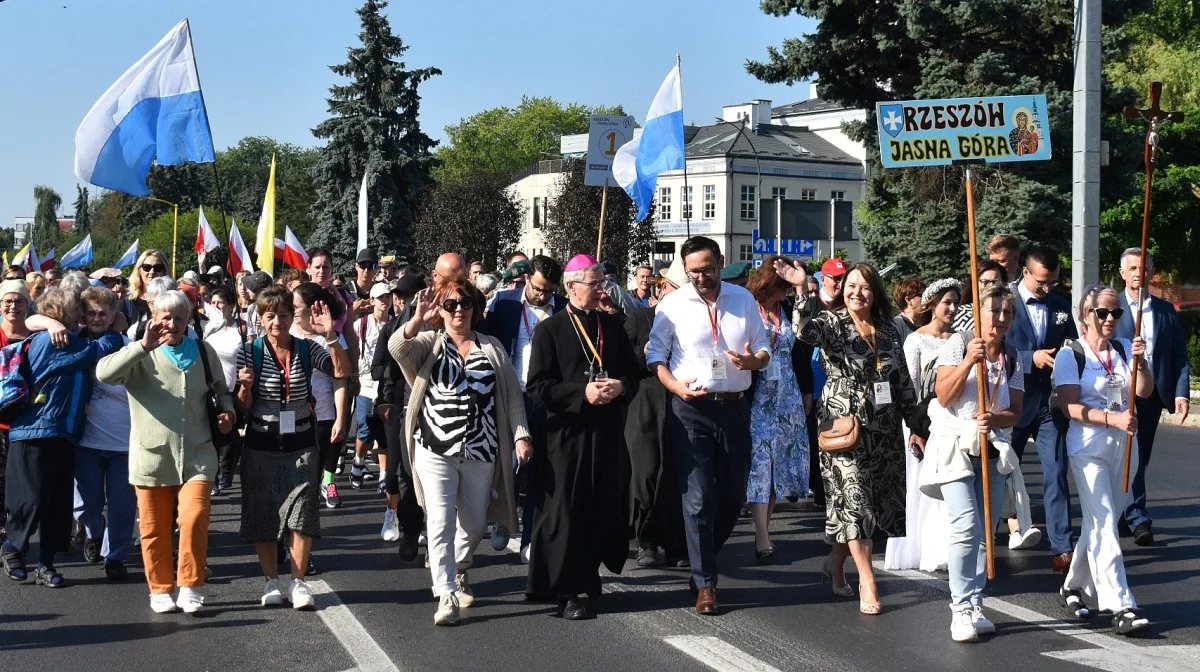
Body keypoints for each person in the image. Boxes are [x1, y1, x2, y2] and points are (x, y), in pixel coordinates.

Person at [389, 276, 531, 626]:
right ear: (441, 309)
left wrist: (520, 436)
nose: (457, 311)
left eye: (464, 303)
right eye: (450, 304)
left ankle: (461, 566)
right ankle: (446, 592)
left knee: (473, 523)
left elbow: (512, 394)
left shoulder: (492, 347)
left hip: (481, 448)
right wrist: (416, 319)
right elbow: (397, 349)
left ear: (475, 308)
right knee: (438, 521)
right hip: (435, 447)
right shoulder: (429, 342)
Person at [647, 237, 771, 616]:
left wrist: (752, 362)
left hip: (734, 408)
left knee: (733, 496)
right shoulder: (672, 304)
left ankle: (702, 557)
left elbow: (764, 348)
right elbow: (655, 356)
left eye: (707, 268)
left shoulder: (742, 299)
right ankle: (705, 584)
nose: (701, 277)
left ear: (720, 262)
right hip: (691, 409)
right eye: (693, 271)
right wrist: (675, 387)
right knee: (698, 496)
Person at [791, 260, 922, 615]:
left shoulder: (890, 329)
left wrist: (918, 426)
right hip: (844, 427)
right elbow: (803, 332)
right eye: (850, 286)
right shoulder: (832, 323)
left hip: (885, 429)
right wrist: (804, 291)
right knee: (855, 500)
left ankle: (835, 562)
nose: (856, 292)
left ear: (874, 292)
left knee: (873, 506)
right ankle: (868, 579)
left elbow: (903, 382)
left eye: (864, 287)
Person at [95, 290, 234, 613]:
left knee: (194, 517)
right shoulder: (140, 352)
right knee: (154, 528)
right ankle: (159, 588)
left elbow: (221, 392)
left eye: (179, 318)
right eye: (165, 317)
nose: (172, 324)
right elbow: (104, 373)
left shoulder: (202, 349)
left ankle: (190, 584)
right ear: (154, 319)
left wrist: (228, 413)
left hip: (198, 454)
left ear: (188, 321)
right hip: (152, 455)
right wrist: (142, 347)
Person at [525, 254, 637, 620]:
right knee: (568, 511)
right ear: (572, 287)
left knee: (603, 505)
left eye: (603, 282)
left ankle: (589, 574)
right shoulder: (550, 330)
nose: (602, 289)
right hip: (566, 435)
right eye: (594, 284)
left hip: (606, 432)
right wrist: (581, 394)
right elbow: (538, 387)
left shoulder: (612, 326)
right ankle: (567, 591)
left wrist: (620, 386)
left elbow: (634, 375)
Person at [234, 285, 348, 611]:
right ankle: (271, 581)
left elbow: (340, 371)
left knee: (302, 513)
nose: (277, 322)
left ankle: (299, 583)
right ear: (260, 319)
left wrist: (330, 336)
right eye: (270, 316)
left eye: (283, 315)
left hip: (300, 442)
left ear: (291, 315)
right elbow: (243, 405)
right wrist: (245, 386)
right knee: (264, 513)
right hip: (260, 441)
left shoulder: (308, 348)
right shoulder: (249, 351)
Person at [922, 284, 1024, 642]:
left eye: (1006, 313)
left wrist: (992, 420)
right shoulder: (959, 342)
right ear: (978, 314)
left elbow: (1016, 411)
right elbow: (944, 396)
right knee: (965, 526)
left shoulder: (1013, 356)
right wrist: (969, 361)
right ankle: (960, 608)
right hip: (954, 447)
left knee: (984, 534)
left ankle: (976, 602)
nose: (999, 318)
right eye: (993, 311)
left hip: (992, 451)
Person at [1, 288, 122, 586]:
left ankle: (46, 563)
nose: (81, 314)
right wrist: (116, 333)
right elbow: (95, 351)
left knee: (58, 504)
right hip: (36, 430)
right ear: (58, 311)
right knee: (32, 499)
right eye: (75, 309)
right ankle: (12, 548)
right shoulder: (52, 340)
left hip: (65, 434)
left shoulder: (64, 334)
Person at [1053, 285, 1153, 636]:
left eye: (1116, 313)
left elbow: (1143, 391)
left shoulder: (1126, 349)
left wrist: (1141, 362)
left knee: (1098, 523)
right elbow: (1070, 407)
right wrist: (1112, 419)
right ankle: (1121, 604)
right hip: (1088, 447)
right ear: (1085, 315)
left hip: (1125, 447)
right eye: (1103, 313)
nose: (1111, 319)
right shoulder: (1072, 354)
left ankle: (1072, 586)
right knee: (1107, 521)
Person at [479, 254, 565, 561]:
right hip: (508, 394)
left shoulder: (562, 309)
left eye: (549, 291)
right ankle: (502, 520)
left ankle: (530, 537)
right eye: (539, 288)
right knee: (508, 465)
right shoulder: (504, 304)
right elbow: (484, 341)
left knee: (539, 470)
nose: (543, 296)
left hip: (544, 398)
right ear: (526, 278)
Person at [1008, 246, 1078, 573]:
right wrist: (1028, 358)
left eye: (1052, 283)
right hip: (1013, 402)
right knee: (1002, 473)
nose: (1047, 289)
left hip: (1049, 405)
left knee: (1056, 473)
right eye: (1041, 283)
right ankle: (983, 539)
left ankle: (1062, 547)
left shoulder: (1061, 307)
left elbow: (1074, 348)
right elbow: (992, 347)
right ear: (1025, 272)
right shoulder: (1003, 302)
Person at [885, 278, 961, 572]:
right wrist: (917, 428)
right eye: (947, 302)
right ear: (931, 305)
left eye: (956, 302)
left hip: (949, 421)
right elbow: (910, 386)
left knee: (945, 486)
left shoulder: (959, 339)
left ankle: (942, 548)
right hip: (920, 420)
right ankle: (917, 549)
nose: (952, 308)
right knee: (920, 488)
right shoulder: (915, 340)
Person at [1115, 249, 1189, 546]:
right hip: (1118, 394)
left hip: (1152, 395)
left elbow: (1178, 355)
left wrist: (1181, 393)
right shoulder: (1111, 306)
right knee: (1127, 455)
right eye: (1132, 268)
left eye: (1143, 268)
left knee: (1139, 457)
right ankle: (1137, 517)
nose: (1138, 273)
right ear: (1122, 273)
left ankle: (1125, 512)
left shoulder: (1164, 310)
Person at [743, 256, 812, 563]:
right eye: (783, 288)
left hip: (787, 395)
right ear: (769, 284)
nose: (786, 294)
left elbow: (806, 333)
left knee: (778, 468)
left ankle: (765, 529)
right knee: (760, 464)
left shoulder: (785, 310)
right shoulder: (746, 307)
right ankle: (760, 534)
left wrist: (802, 288)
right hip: (757, 396)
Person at [624, 268, 687, 569]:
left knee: (675, 475)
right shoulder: (640, 319)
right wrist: (642, 352)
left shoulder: (693, 322)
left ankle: (675, 542)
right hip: (645, 404)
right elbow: (620, 361)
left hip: (681, 405)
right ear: (663, 288)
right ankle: (645, 540)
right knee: (646, 472)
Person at [74, 287, 138, 581]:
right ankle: (93, 532)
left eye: (103, 313)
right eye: (91, 312)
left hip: (124, 442)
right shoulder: (74, 346)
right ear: (83, 315)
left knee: (123, 507)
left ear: (114, 315)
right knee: (86, 505)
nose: (97, 318)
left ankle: (114, 556)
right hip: (85, 441)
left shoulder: (130, 348)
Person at [373, 274, 428, 561]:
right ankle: (408, 530)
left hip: (437, 407)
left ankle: (432, 538)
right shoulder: (394, 327)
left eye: (409, 296)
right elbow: (379, 368)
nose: (403, 302)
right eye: (401, 297)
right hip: (400, 407)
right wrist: (385, 400)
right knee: (402, 474)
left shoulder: (443, 320)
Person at [292, 283, 351, 507]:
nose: (291, 309)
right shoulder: (286, 332)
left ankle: (303, 527)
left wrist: (340, 420)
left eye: (295, 306)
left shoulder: (331, 337)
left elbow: (341, 377)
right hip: (290, 416)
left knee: (310, 481)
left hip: (322, 415)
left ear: (312, 307)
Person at [352, 283, 392, 535]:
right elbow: (354, 350)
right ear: (372, 301)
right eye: (379, 298)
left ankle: (383, 476)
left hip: (386, 385)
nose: (384, 301)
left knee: (385, 432)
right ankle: (357, 461)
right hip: (366, 384)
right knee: (365, 430)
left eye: (387, 297)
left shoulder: (395, 323)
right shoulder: (361, 325)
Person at [205, 286, 248, 495]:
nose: (216, 307)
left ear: (231, 306)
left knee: (229, 435)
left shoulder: (241, 329)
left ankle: (225, 473)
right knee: (211, 434)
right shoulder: (207, 328)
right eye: (212, 303)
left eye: (220, 303)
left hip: (232, 387)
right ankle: (213, 477)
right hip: (209, 389)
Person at [0, 280, 33, 546]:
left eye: (19, 301)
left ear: (28, 304)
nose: (13, 306)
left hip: (27, 422)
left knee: (23, 486)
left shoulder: (36, 336)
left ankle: (18, 533)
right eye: (8, 301)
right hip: (0, 424)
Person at [127, 249, 169, 326]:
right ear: (139, 270)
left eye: (157, 268)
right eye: (146, 267)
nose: (152, 272)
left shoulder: (172, 301)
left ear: (164, 271)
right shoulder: (127, 302)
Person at [892, 276, 925, 344]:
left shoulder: (927, 322)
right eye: (922, 295)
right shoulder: (896, 326)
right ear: (908, 300)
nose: (927, 298)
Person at [351, 248, 378, 317]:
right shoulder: (345, 292)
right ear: (356, 266)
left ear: (376, 269)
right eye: (362, 265)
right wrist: (352, 311)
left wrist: (377, 311)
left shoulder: (380, 292)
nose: (366, 270)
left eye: (370, 266)